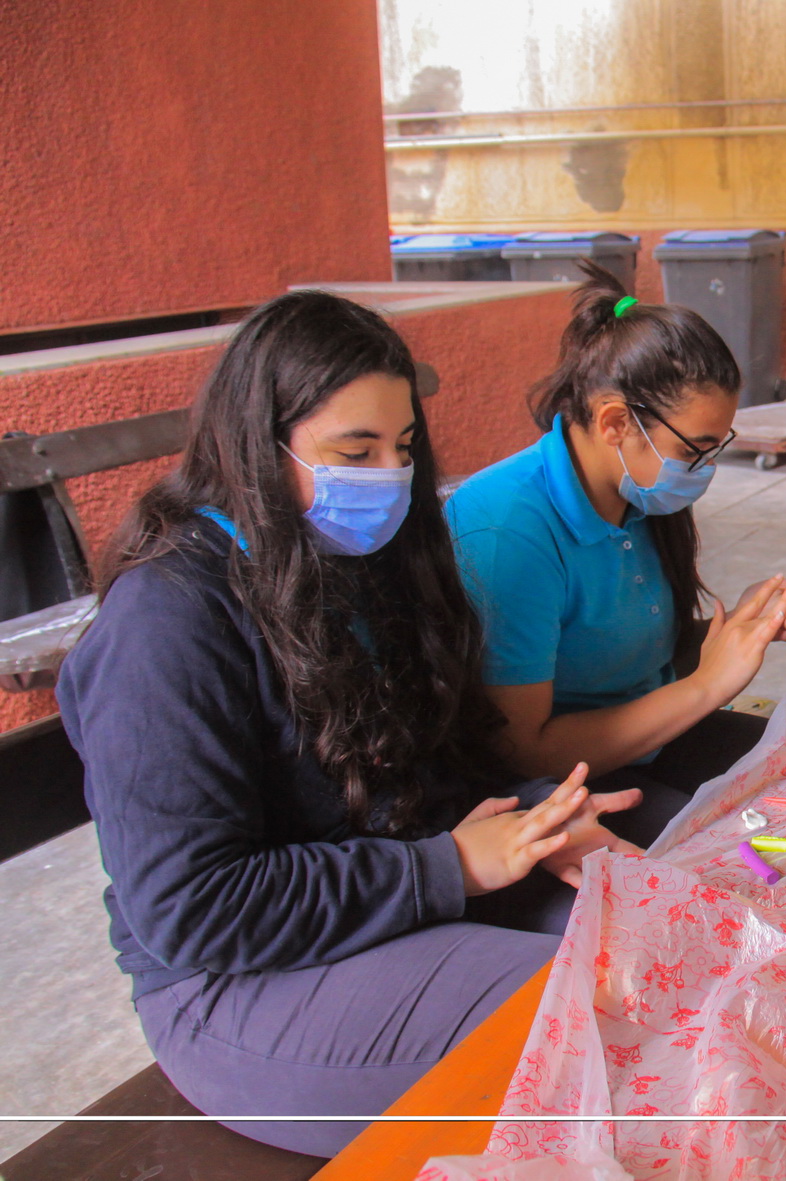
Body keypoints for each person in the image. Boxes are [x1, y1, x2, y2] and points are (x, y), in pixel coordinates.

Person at [57, 291, 643, 1156]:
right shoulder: (165, 620)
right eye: (354, 451)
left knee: (648, 934)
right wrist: (447, 866)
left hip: (382, 893)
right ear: (258, 446)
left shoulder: (347, 559)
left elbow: (425, 766)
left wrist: (536, 819)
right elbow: (193, 907)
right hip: (235, 980)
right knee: (583, 1010)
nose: (388, 476)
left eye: (403, 447)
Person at [446, 265, 786, 844]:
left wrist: (735, 632)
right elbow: (523, 752)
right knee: (735, 852)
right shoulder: (506, 529)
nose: (703, 469)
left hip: (649, 737)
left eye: (716, 448)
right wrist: (708, 684)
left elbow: (623, 655)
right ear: (615, 422)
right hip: (546, 783)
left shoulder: (638, 489)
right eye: (695, 449)